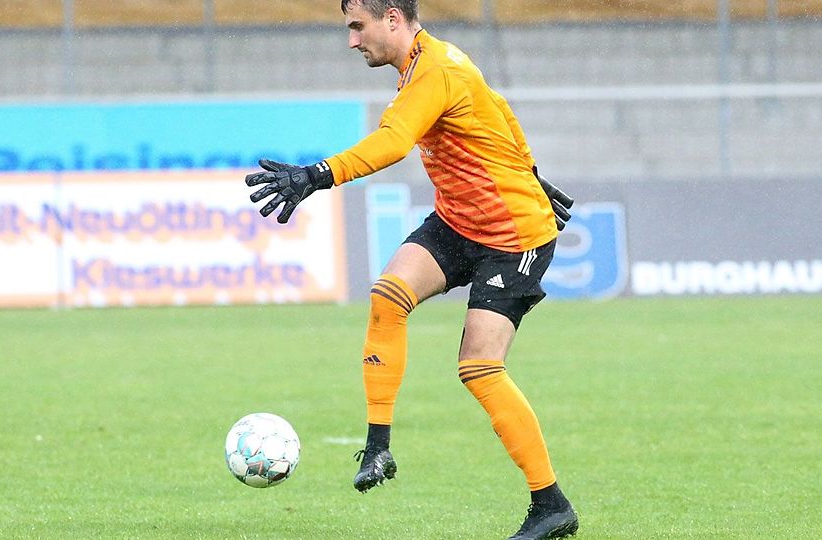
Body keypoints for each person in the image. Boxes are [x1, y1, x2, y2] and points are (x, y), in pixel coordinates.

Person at [245, 1, 577, 538]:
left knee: (479, 368)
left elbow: (394, 142)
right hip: (459, 221)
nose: (352, 41)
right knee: (387, 296)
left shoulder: (435, 67)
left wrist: (316, 176)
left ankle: (550, 504)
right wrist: (529, 168)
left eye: (358, 27)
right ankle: (378, 447)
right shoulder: (431, 62)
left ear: (393, 18)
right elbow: (497, 109)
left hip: (513, 235)